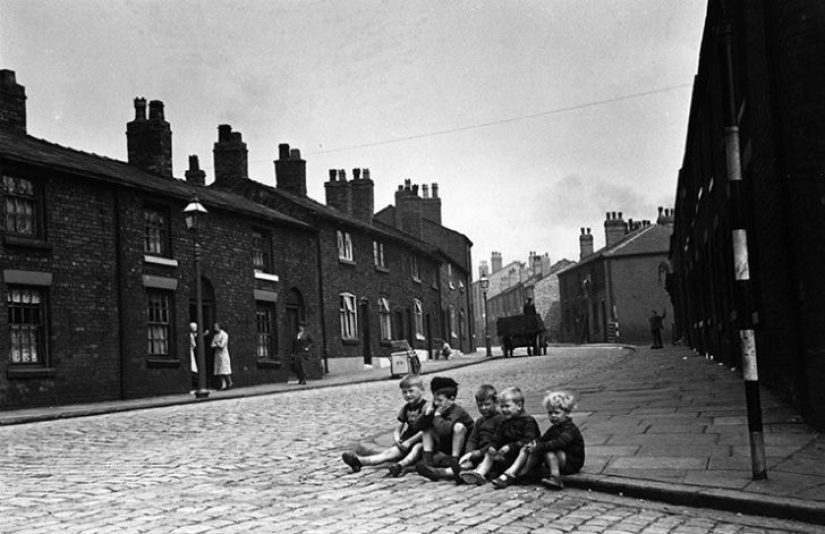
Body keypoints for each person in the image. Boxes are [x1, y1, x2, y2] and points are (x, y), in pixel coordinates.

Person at [491, 390, 585, 490]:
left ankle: (556, 478)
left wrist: (539, 446)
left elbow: (558, 443)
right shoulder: (554, 428)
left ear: (567, 413)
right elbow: (543, 439)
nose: (553, 416)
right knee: (527, 448)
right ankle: (516, 473)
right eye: (550, 413)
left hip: (571, 463)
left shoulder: (569, 429)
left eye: (557, 413)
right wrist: (533, 444)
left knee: (549, 452)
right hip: (561, 459)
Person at [342, 374, 427, 477]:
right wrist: (397, 439)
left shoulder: (426, 407)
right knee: (388, 453)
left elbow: (426, 430)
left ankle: (400, 466)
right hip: (407, 439)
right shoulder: (405, 409)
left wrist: (409, 442)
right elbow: (398, 427)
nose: (408, 395)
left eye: (411, 391)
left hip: (422, 440)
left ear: (421, 390)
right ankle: (360, 462)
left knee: (417, 449)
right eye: (404, 392)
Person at [459, 387, 540, 485]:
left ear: (519, 405)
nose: (504, 410)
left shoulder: (528, 421)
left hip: (525, 459)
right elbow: (496, 439)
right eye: (502, 407)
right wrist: (492, 447)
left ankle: (508, 474)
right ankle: (480, 473)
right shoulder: (504, 422)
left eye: (507, 406)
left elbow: (528, 440)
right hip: (508, 458)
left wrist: (510, 447)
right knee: (490, 451)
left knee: (525, 449)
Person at [414, 377, 474, 482]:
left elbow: (444, 430)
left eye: (440, 400)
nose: (436, 403)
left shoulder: (457, 411)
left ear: (452, 399)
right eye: (435, 400)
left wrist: (437, 415)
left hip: (464, 451)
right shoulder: (436, 408)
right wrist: (426, 415)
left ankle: (454, 463)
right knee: (427, 428)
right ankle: (428, 463)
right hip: (446, 449)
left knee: (458, 427)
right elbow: (416, 427)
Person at [211, 322, 232, 390]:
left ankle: (229, 382)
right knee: (219, 370)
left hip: (223, 354)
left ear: (219, 327)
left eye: (216, 327)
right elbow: (212, 345)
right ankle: (223, 384)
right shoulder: (216, 335)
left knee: (225, 369)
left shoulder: (224, 335)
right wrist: (217, 344)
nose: (214, 328)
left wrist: (217, 343)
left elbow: (222, 345)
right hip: (217, 354)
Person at [189, 322, 199, 391]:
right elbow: (194, 344)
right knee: (193, 367)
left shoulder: (191, 334)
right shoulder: (191, 335)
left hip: (191, 351)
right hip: (191, 351)